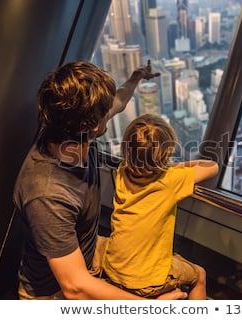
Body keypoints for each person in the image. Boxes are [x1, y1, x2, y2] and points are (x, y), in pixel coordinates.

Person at [13, 60, 187, 300]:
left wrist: (136, 77)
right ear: (95, 125)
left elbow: (119, 99)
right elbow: (75, 288)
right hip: (51, 296)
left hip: (84, 258)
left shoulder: (68, 126)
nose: (113, 108)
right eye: (106, 110)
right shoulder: (48, 193)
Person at [102, 113, 219, 299]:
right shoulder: (169, 180)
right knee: (200, 275)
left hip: (114, 267)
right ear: (167, 152)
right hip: (146, 280)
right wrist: (177, 167)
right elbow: (212, 166)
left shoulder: (122, 171)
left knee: (176, 261)